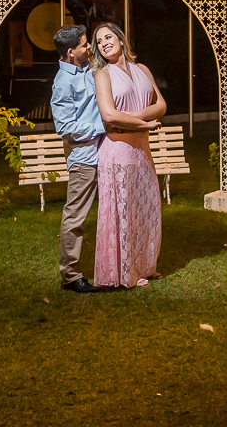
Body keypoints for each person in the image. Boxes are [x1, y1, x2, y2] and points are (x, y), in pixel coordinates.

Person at [91, 23, 166, 288]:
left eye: (108, 37)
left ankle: (145, 266)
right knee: (123, 213)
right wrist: (144, 123)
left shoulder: (142, 69)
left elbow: (161, 104)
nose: (104, 43)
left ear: (121, 39)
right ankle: (124, 272)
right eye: (99, 41)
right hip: (118, 151)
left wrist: (135, 119)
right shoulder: (103, 74)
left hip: (142, 151)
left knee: (146, 209)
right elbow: (108, 115)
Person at [50, 25, 106, 293]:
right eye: (84, 45)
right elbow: (65, 127)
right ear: (71, 52)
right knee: (75, 217)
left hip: (105, 151)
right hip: (84, 157)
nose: (89, 48)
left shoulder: (88, 69)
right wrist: (103, 128)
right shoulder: (63, 82)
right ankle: (70, 276)